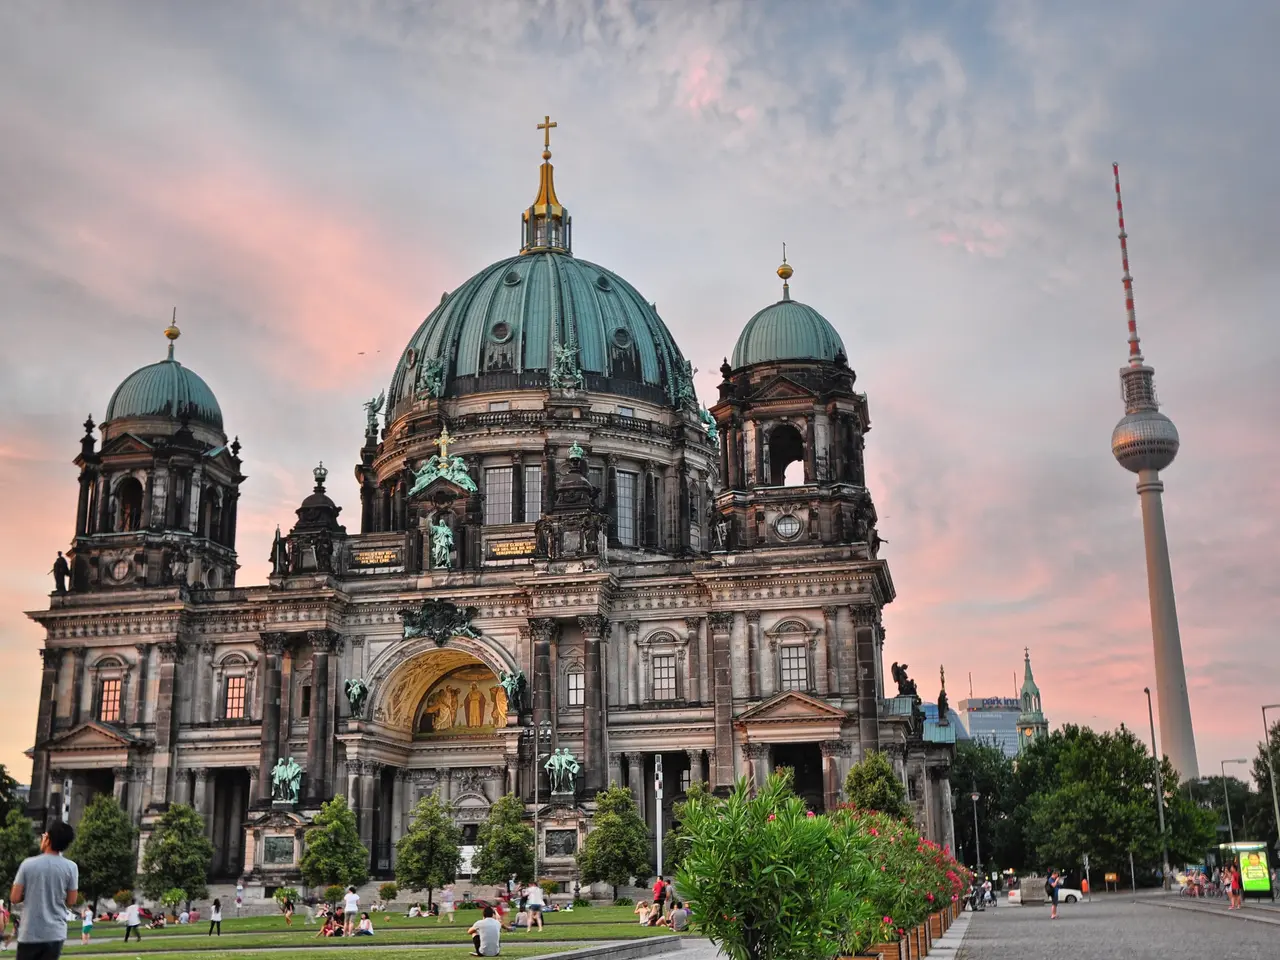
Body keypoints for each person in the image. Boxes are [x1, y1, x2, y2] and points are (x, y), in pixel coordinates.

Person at [9, 820, 79, 960]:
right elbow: (71, 901)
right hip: (55, 933)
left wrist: (31, 891)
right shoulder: (71, 867)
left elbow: (14, 898)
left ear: (48, 839)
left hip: (30, 932)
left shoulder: (28, 864)